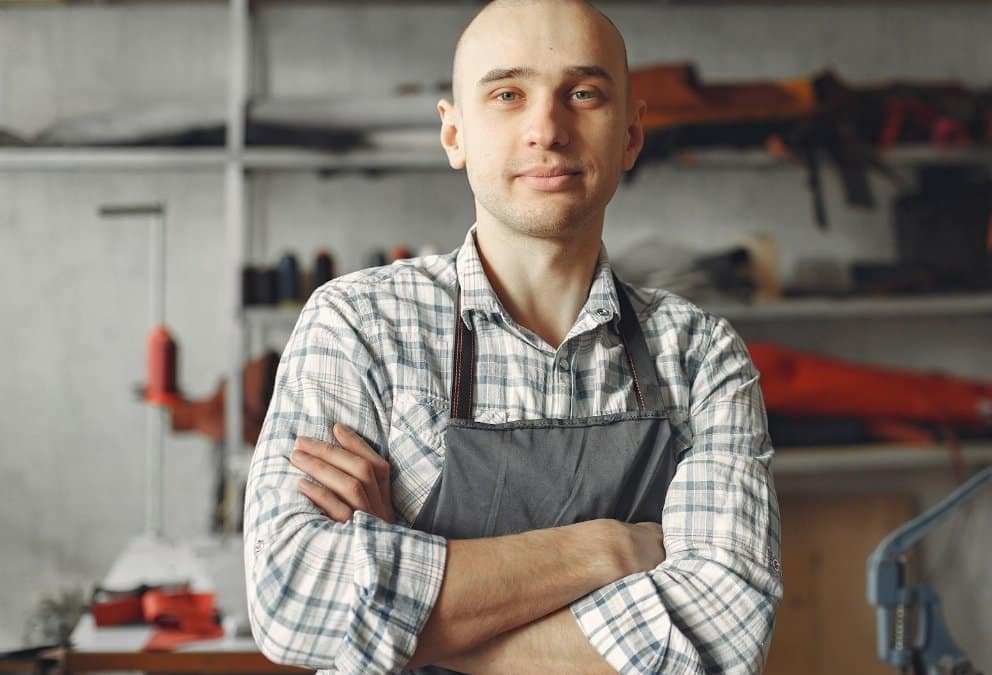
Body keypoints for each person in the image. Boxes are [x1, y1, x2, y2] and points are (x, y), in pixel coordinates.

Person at [243, 1, 782, 672]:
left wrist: (405, 623)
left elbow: (724, 633)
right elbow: (291, 599)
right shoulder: (360, 326)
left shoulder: (701, 357)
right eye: (507, 94)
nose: (546, 129)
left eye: (582, 94)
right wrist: (609, 550)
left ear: (632, 135)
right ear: (454, 134)